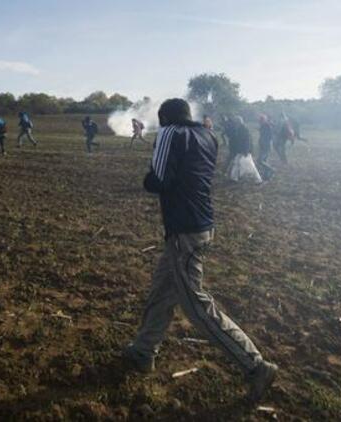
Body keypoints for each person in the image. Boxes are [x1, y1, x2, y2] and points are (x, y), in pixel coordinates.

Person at [123, 98, 277, 403]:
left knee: (196, 306)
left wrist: (148, 177)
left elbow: (159, 180)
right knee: (162, 291)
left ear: (165, 117)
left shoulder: (170, 132)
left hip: (185, 229)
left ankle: (255, 365)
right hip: (201, 224)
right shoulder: (209, 135)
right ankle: (143, 351)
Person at [225, 116, 263, 183]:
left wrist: (245, 151)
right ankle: (234, 178)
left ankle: (258, 179)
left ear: (239, 122)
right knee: (236, 163)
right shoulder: (239, 128)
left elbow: (247, 141)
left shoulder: (244, 129)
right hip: (240, 150)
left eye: (236, 122)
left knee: (251, 165)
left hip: (245, 151)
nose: (235, 123)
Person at [257, 114, 275, 181]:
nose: (260, 121)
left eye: (261, 120)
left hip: (266, 146)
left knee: (259, 161)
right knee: (264, 161)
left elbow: (270, 137)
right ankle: (267, 176)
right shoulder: (263, 126)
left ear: (264, 120)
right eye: (259, 120)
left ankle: (272, 170)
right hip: (263, 145)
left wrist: (269, 145)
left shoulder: (267, 126)